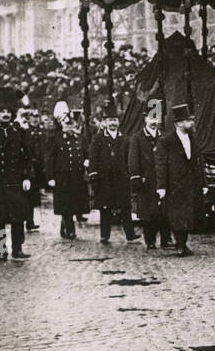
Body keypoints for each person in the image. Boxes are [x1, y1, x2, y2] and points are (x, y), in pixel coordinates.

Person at [0, 88, 33, 260]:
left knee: (18, 218)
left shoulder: (19, 133)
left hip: (15, 181)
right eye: (2, 112)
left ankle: (17, 248)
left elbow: (27, 157)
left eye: (8, 112)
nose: (5, 115)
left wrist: (26, 176)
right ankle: (2, 249)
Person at [155, 103, 204, 256]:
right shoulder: (166, 140)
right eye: (187, 120)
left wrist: (203, 182)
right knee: (176, 215)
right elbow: (161, 163)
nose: (191, 123)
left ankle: (183, 243)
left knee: (188, 215)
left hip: (190, 184)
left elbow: (198, 161)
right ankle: (180, 245)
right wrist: (161, 186)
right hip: (174, 184)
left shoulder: (193, 139)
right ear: (178, 123)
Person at [89, 106, 138, 244]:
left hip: (121, 178)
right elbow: (93, 159)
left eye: (115, 120)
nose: (113, 123)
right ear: (105, 122)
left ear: (118, 122)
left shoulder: (125, 139)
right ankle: (105, 235)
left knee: (125, 207)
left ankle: (130, 234)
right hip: (104, 179)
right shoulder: (98, 139)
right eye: (110, 120)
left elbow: (129, 158)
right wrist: (94, 176)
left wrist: (130, 175)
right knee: (105, 208)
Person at [127, 103, 171, 250]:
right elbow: (133, 160)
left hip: (162, 179)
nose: (154, 121)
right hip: (147, 180)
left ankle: (166, 239)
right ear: (145, 118)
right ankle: (150, 240)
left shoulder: (164, 136)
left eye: (156, 117)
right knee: (148, 212)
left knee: (164, 211)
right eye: (151, 117)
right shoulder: (137, 138)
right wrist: (136, 178)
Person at [45, 107, 89, 239]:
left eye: (72, 124)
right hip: (62, 177)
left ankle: (64, 228)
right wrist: (50, 177)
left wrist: (87, 161)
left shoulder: (80, 138)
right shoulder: (55, 138)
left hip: (77, 176)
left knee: (73, 203)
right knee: (65, 204)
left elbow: (86, 152)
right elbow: (49, 158)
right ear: (62, 124)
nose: (69, 126)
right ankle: (70, 229)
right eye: (67, 124)